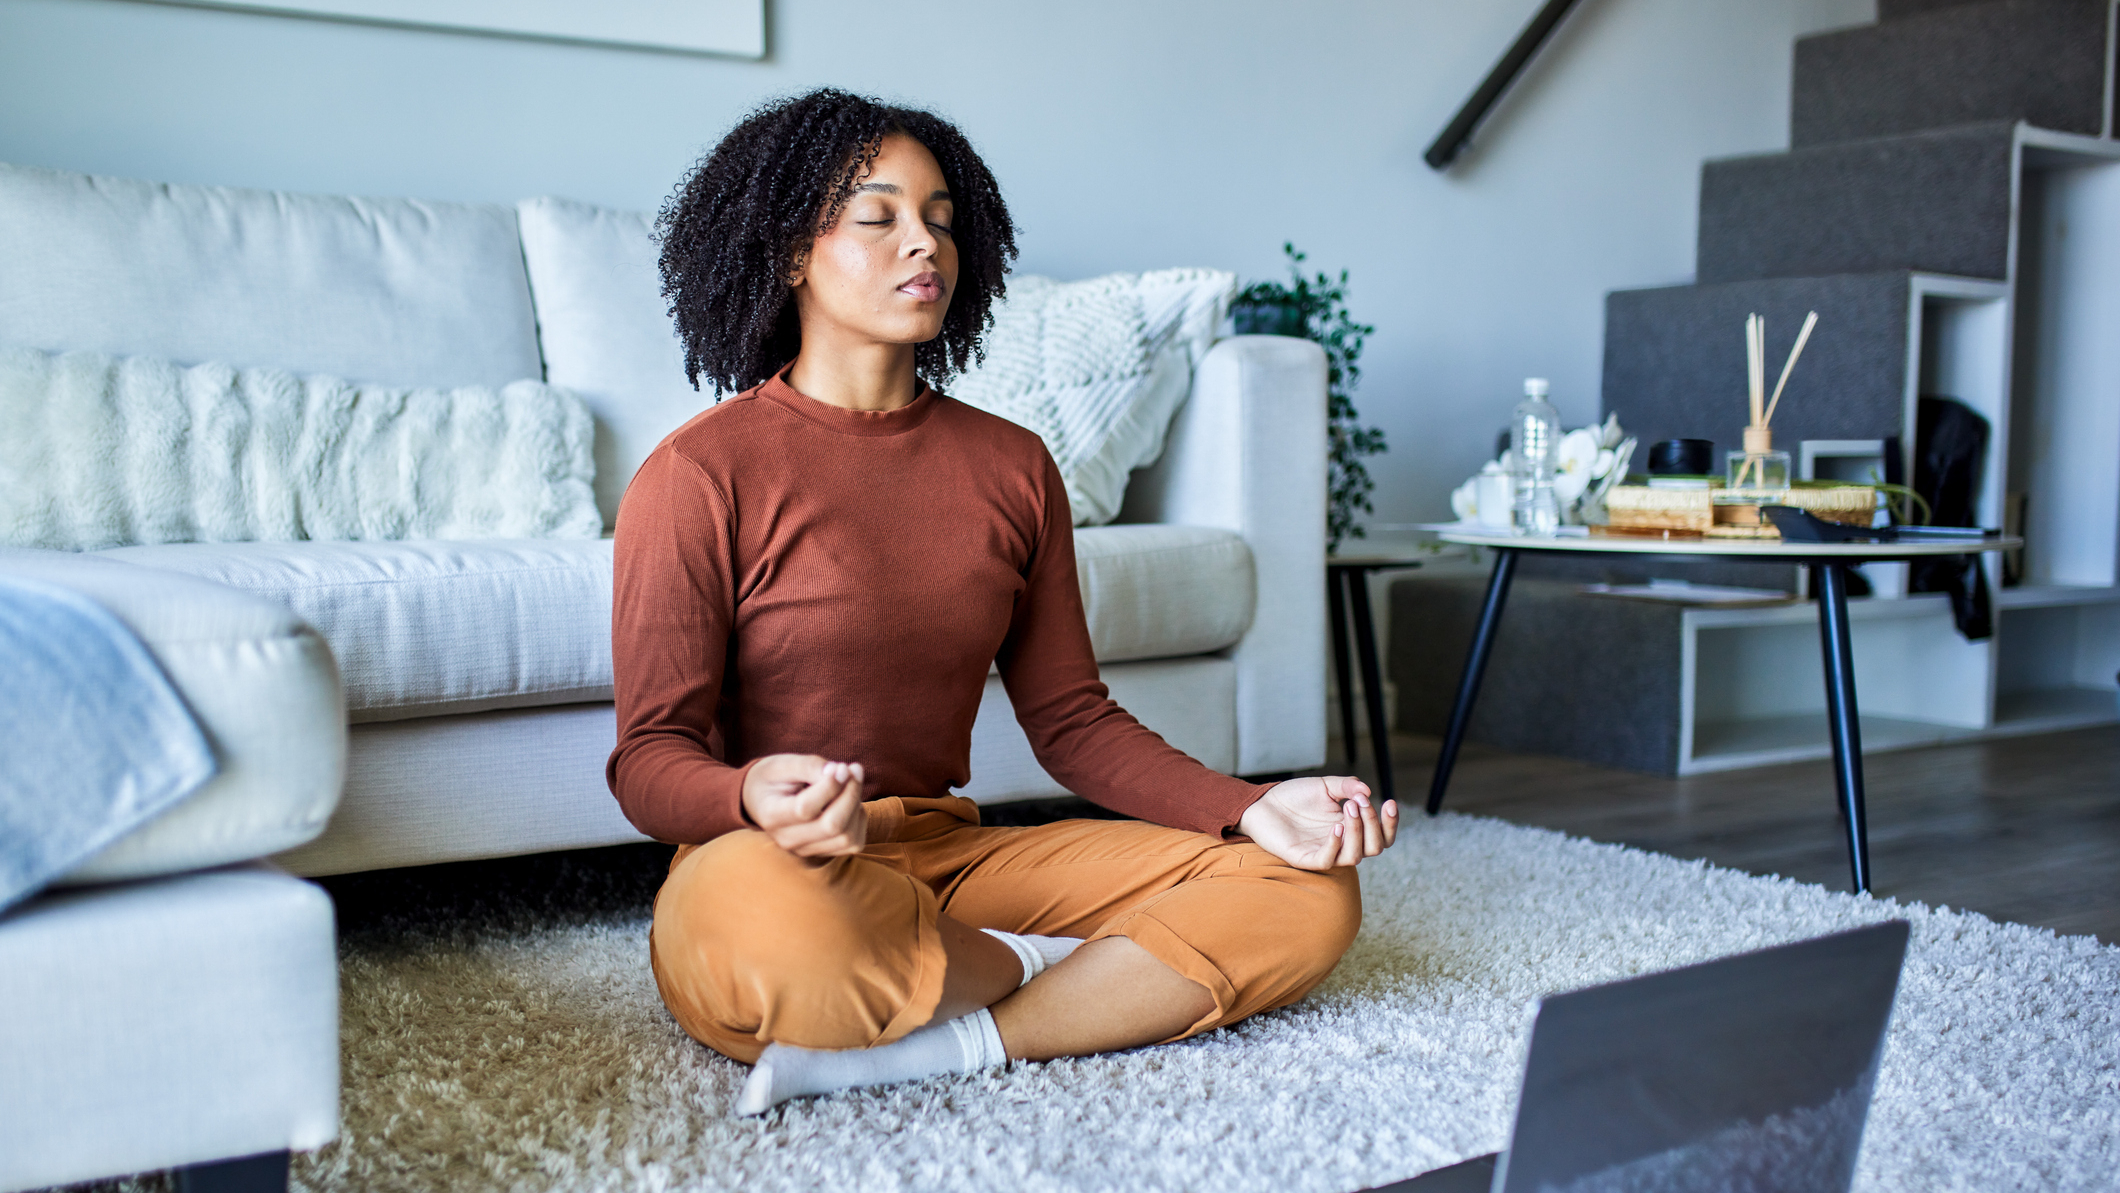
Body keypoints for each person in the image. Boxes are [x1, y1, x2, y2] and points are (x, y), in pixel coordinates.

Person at [609, 88, 1398, 1117]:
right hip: (778, 867)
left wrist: (1248, 805)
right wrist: (750, 796)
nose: (922, 244)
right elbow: (650, 758)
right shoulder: (696, 473)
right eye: (877, 214)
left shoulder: (1012, 466)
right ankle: (1071, 968)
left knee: (1303, 887)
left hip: (954, 856)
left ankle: (945, 1035)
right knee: (766, 931)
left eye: (940, 217)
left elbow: (1072, 720)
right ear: (789, 253)